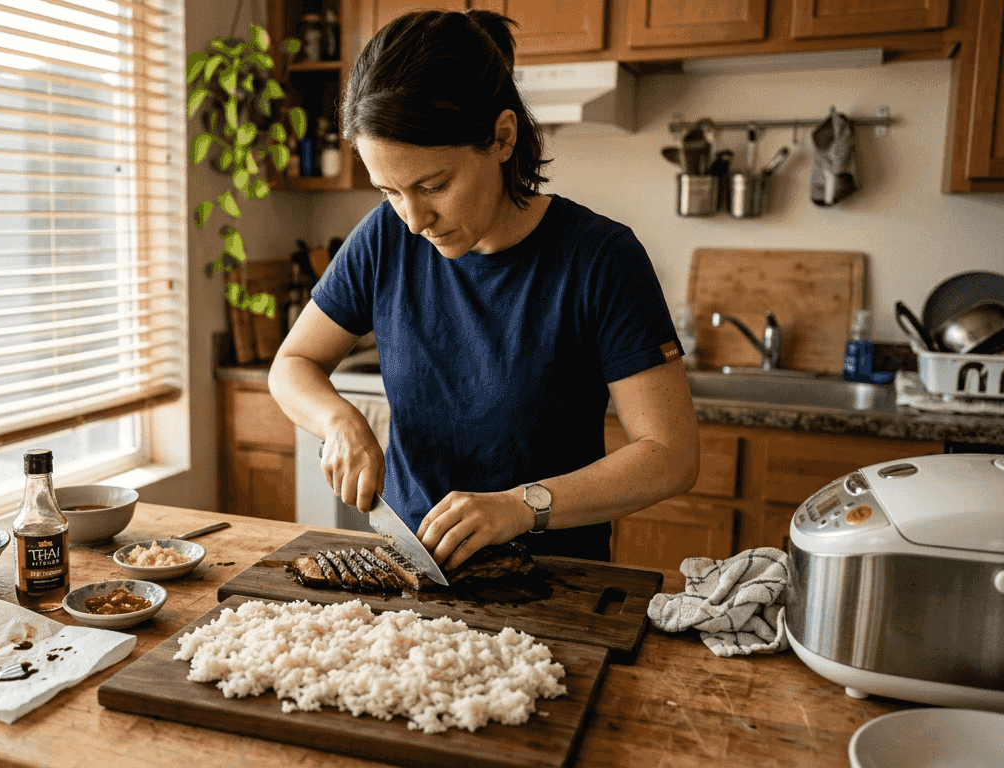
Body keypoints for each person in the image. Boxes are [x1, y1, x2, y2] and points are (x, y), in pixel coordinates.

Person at [268, 9, 699, 570]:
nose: (414, 218)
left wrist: (519, 507)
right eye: (390, 191)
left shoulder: (601, 259)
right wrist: (337, 420)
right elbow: (293, 363)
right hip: (411, 565)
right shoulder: (385, 236)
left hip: (556, 579)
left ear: (501, 137)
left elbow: (670, 455)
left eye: (433, 185)